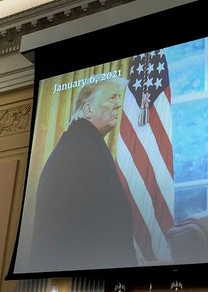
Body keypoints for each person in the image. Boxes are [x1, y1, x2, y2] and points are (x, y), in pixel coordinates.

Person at [28, 77, 137, 272]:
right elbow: (104, 222)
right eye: (111, 98)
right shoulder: (86, 148)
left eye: (119, 98)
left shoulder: (77, 143)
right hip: (86, 277)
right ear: (87, 110)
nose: (119, 104)